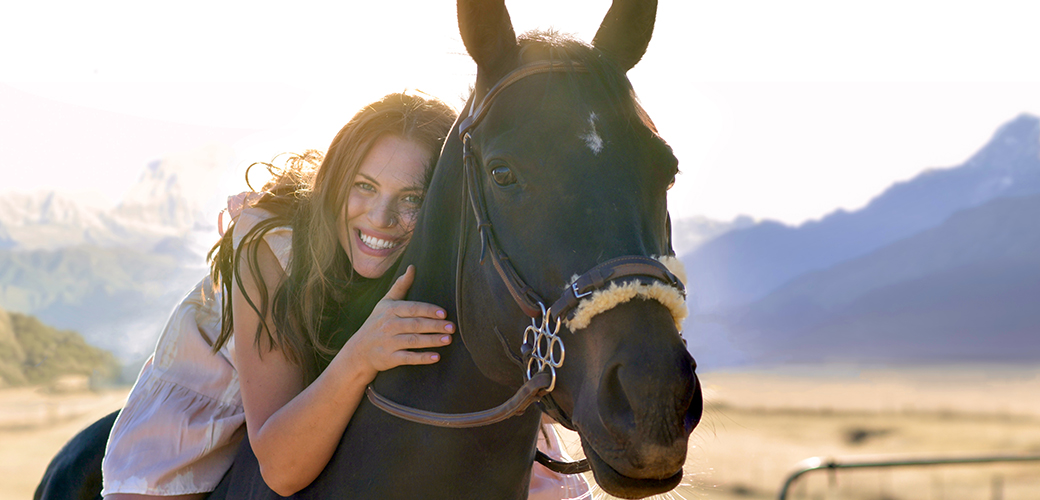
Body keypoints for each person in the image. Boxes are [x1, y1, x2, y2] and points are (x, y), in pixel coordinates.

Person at [100, 92, 588, 499]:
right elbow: (281, 469)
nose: (380, 217)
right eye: (364, 186)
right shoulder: (274, 247)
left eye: (413, 199)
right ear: (337, 183)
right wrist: (362, 355)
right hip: (227, 388)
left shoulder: (457, 253)